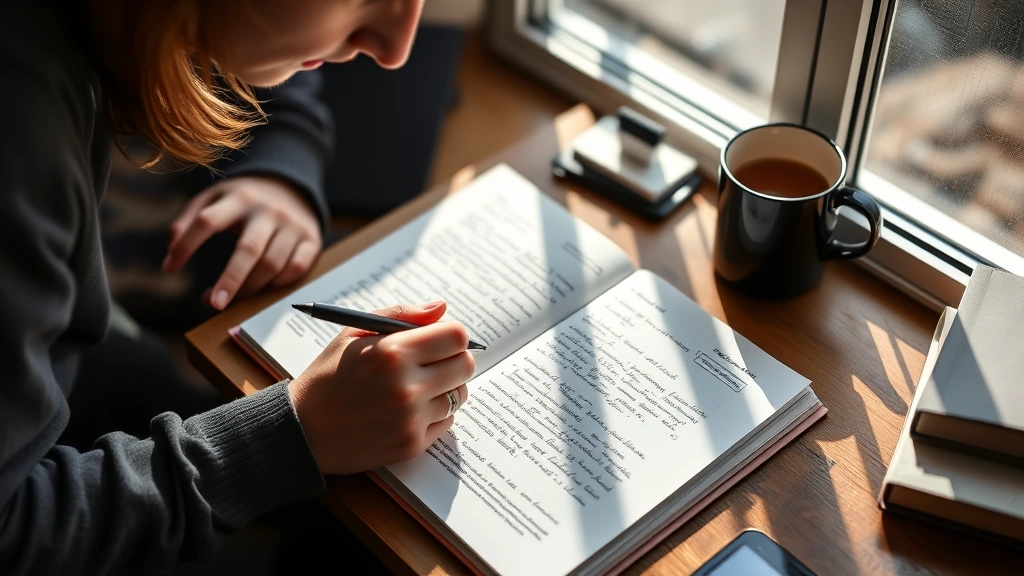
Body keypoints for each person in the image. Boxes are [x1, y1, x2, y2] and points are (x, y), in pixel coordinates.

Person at [0, 1, 475, 574]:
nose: (395, 48)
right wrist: (293, 432)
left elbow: (242, 32)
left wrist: (283, 163)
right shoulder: (20, 121)